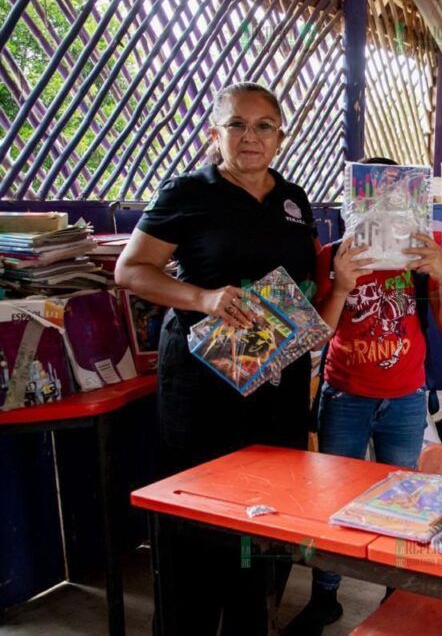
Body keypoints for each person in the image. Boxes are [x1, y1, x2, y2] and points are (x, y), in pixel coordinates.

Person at [115, 82, 318, 634]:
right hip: (203, 386)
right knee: (197, 519)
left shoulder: (295, 201)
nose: (250, 137)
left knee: (267, 517)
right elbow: (131, 271)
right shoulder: (187, 192)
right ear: (215, 132)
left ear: (281, 134)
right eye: (237, 124)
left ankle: (254, 624)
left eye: (264, 125)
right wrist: (204, 298)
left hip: (276, 384)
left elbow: (304, 291)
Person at [286, 157, 442, 636]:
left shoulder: (423, 254)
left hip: (405, 398)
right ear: (355, 204)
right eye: (374, 201)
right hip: (345, 395)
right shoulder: (333, 255)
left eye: (397, 201)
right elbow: (316, 336)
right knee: (334, 501)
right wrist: (342, 285)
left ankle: (396, 596)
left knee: (403, 504)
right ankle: (325, 597)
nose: (386, 211)